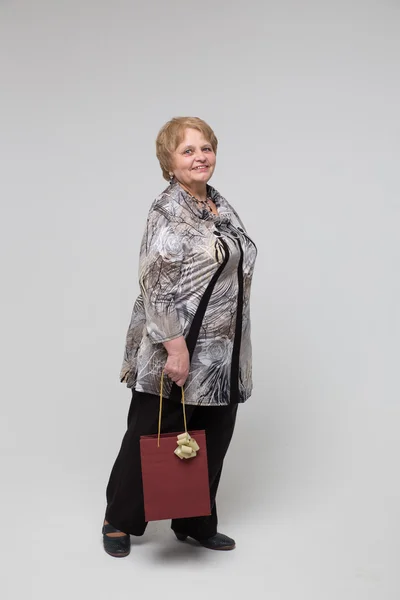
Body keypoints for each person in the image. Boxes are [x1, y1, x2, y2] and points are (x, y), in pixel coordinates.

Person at [102, 116, 257, 557]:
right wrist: (175, 348)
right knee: (152, 432)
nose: (200, 157)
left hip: (222, 354)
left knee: (213, 433)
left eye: (205, 148)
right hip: (179, 349)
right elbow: (156, 285)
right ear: (168, 162)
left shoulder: (218, 205)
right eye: (188, 151)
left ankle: (194, 522)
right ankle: (119, 520)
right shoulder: (168, 211)